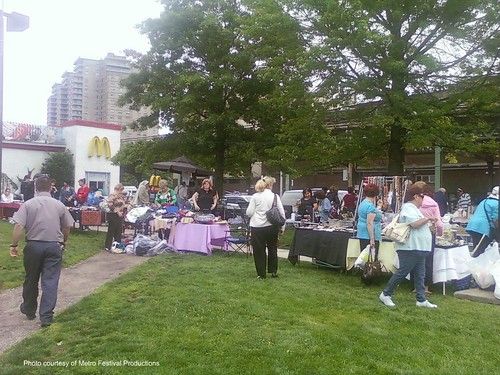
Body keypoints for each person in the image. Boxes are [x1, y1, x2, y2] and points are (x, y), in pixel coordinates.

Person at [9, 175, 74, 327]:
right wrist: (63, 241)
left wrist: (14, 245)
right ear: (51, 187)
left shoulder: (28, 204)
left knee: (31, 278)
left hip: (33, 245)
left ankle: (29, 309)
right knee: (50, 281)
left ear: (35, 187)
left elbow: (18, 226)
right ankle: (46, 316)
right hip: (53, 246)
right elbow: (67, 226)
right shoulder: (59, 205)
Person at [379, 183, 438, 309]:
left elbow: (419, 225)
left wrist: (430, 227)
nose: (424, 199)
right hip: (409, 247)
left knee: (420, 274)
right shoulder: (408, 207)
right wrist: (428, 219)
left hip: (419, 248)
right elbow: (414, 224)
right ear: (416, 196)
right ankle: (386, 294)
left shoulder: (415, 210)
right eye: (423, 196)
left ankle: (421, 299)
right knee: (403, 272)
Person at [246, 176, 285, 279]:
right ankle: (273, 271)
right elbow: (281, 212)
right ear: (270, 185)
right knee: (272, 248)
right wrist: (283, 227)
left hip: (257, 227)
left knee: (259, 251)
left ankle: (261, 274)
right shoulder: (275, 196)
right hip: (272, 227)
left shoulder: (255, 196)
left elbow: (249, 213)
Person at [412, 181, 443, 293]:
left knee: (415, 258)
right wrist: (439, 233)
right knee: (428, 260)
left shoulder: (413, 204)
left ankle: (415, 286)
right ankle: (425, 287)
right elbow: (439, 223)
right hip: (430, 233)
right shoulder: (434, 203)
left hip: (416, 232)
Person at [466, 186, 499, 257]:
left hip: (473, 226)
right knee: (479, 251)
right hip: (482, 228)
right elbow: (496, 220)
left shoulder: (484, 201)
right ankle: (475, 265)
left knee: (477, 247)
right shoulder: (497, 203)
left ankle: (476, 264)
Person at [357, 183, 383, 258]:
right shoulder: (370, 206)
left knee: (364, 258)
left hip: (362, 233)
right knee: (372, 259)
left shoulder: (362, 203)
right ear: (376, 194)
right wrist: (372, 239)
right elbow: (369, 223)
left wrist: (378, 207)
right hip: (369, 235)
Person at [104, 183, 127, 251]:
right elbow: (110, 205)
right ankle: (107, 246)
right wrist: (117, 211)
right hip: (113, 215)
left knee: (118, 231)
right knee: (111, 231)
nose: (121, 191)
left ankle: (117, 245)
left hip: (120, 215)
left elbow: (123, 203)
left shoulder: (121, 196)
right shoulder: (112, 195)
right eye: (121, 190)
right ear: (117, 189)